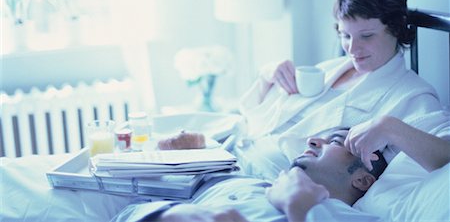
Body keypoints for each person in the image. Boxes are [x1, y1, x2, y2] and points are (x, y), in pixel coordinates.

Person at [235, 0, 442, 180]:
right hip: (233, 155)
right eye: (345, 35)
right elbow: (252, 114)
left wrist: (389, 127)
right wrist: (266, 77)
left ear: (396, 29)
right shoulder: (328, 69)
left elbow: (443, 155)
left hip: (265, 180)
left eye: (367, 36)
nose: (352, 48)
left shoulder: (413, 97)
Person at [111, 115, 450, 222]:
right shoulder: (251, 181)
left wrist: (298, 209)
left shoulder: (352, 219)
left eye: (334, 141)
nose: (313, 141)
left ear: (363, 177)